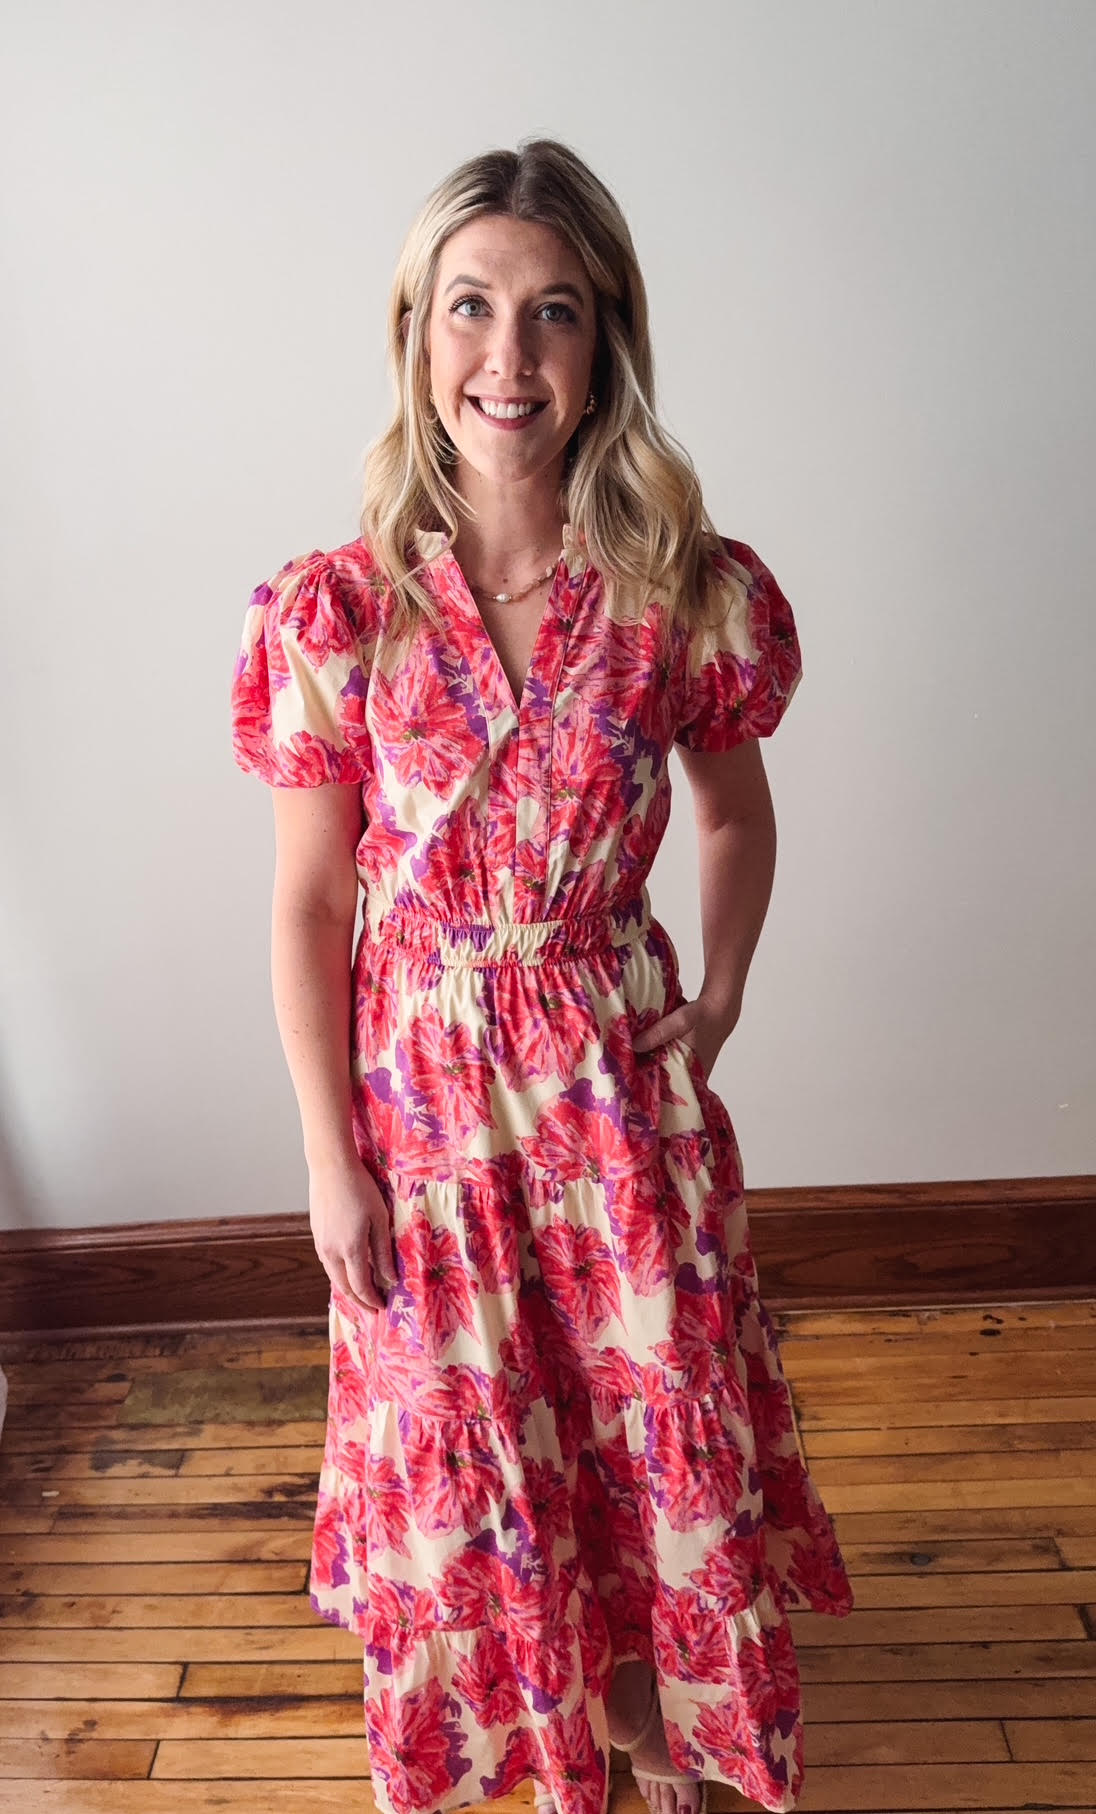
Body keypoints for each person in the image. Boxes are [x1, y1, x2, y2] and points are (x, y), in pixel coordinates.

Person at [231, 137, 853, 1814]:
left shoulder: (681, 596)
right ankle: (534, 1727)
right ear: (418, 335)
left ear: (605, 346)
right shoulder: (336, 612)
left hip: (605, 1096)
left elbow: (732, 815)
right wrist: (324, 1156)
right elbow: (308, 905)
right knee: (475, 1443)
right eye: (472, 309)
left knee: (644, 1424)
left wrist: (716, 999)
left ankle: (651, 1717)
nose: (509, 359)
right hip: (420, 1113)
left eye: (554, 315)